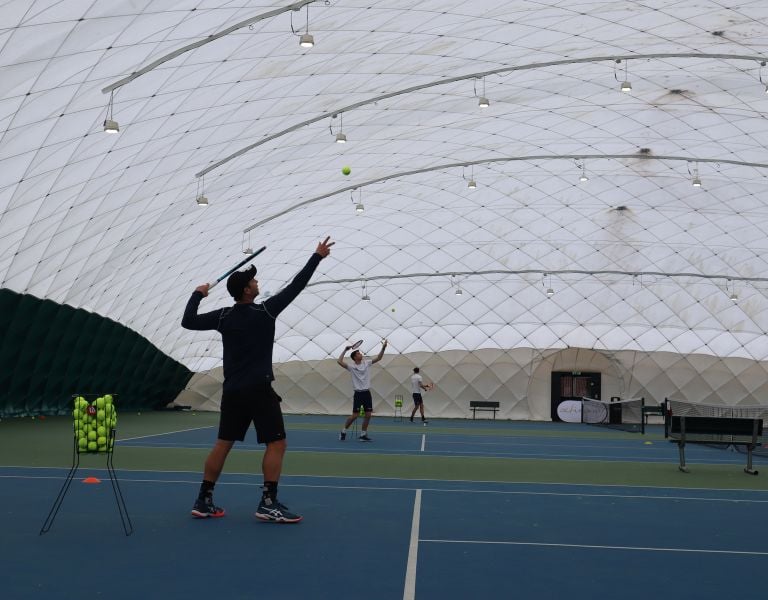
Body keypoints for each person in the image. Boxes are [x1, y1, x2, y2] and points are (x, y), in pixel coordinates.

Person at [181, 236, 334, 522]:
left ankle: (203, 500)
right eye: (253, 281)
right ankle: (267, 503)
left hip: (233, 391)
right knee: (277, 444)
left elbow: (187, 321)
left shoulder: (224, 316)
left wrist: (197, 294)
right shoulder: (266, 311)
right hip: (258, 389)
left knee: (223, 443)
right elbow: (297, 286)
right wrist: (317, 257)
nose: (257, 283)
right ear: (246, 290)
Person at [337, 339, 387, 441]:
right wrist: (345, 350)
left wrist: (383, 348)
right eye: (359, 353)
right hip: (358, 394)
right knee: (355, 415)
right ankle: (343, 431)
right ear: (355, 357)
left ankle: (363, 435)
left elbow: (379, 358)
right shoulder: (351, 367)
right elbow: (339, 361)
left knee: (368, 415)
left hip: (367, 393)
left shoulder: (367, 363)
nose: (361, 354)